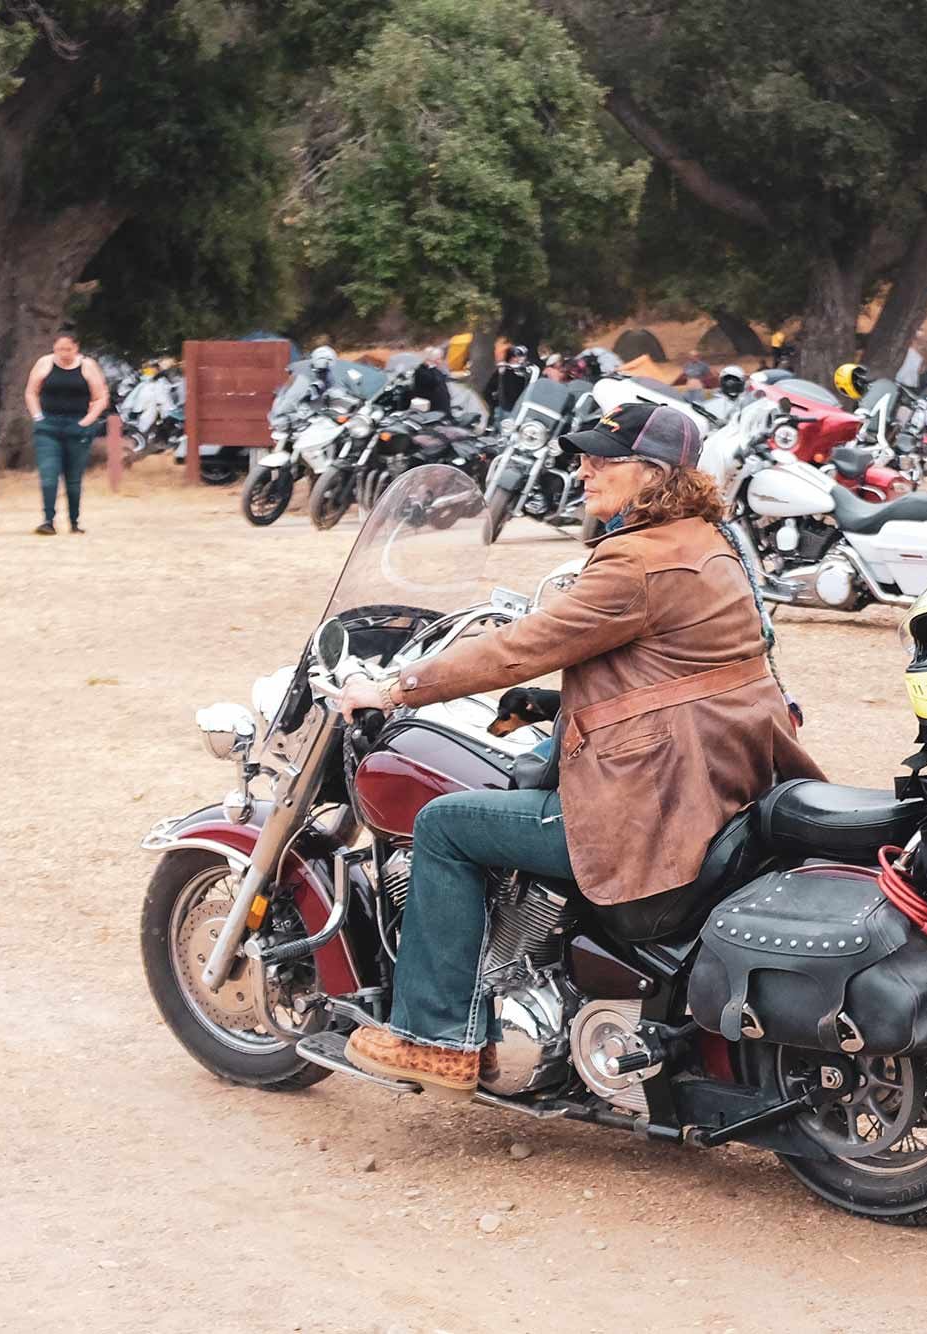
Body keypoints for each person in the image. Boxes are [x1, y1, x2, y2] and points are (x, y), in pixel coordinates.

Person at [335, 401, 824, 1093]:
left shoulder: (635, 561)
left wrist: (394, 689)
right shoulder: (707, 542)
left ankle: (437, 1036)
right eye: (584, 455)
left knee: (445, 824)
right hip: (713, 782)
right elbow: (672, 676)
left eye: (603, 458)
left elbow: (518, 648)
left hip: (655, 807)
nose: (584, 468)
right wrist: (558, 704)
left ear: (654, 474)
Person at [23, 329, 108, 535]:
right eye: (59, 348)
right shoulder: (44, 363)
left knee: (73, 478)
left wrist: (86, 422)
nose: (63, 353)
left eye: (67, 349)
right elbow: (31, 392)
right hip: (48, 426)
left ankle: (74, 522)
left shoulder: (88, 366)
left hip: (77, 426)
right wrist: (37, 416)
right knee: (49, 474)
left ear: (76, 348)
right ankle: (48, 521)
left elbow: (100, 397)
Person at [484, 344, 532, 413]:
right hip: (504, 409)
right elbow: (488, 391)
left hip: (520, 410)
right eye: (515, 357)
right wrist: (493, 405)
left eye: (521, 357)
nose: (519, 360)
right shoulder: (502, 371)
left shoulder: (526, 372)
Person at [413, 345, 455, 420]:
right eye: (438, 359)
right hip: (431, 407)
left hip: (442, 405)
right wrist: (432, 368)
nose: (440, 361)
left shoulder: (436, 370)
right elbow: (433, 381)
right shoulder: (421, 371)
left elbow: (443, 378)